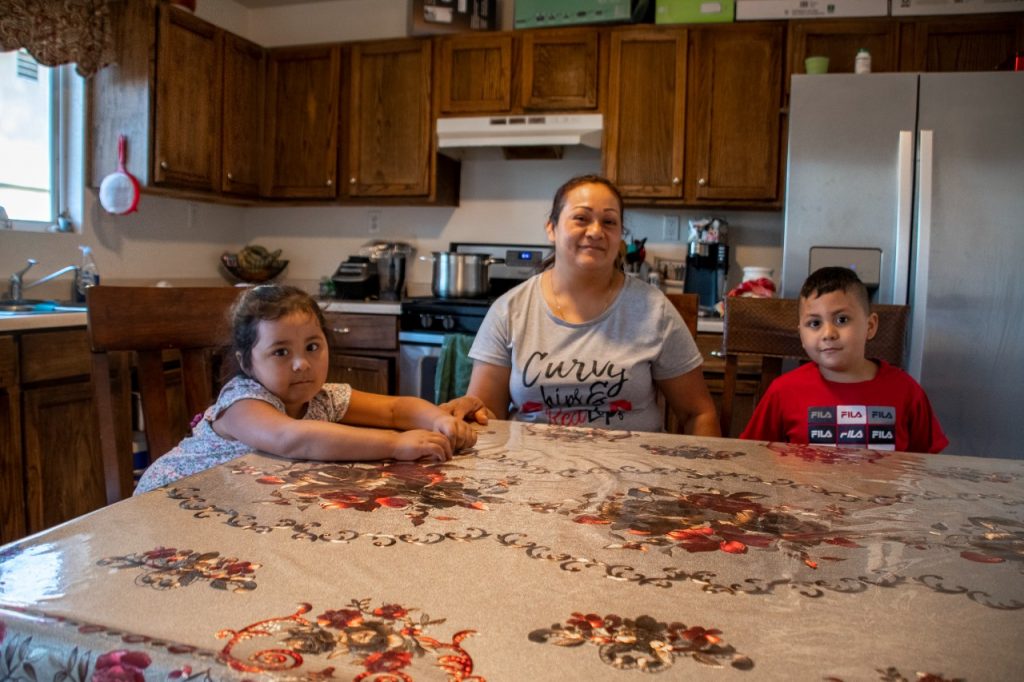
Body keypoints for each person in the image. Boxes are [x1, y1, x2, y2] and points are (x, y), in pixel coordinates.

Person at [135, 285, 477, 494]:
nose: (301, 364)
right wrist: (397, 443)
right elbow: (294, 438)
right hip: (167, 502)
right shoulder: (242, 403)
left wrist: (437, 420)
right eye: (281, 352)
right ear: (247, 361)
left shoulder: (323, 397)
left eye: (312, 347)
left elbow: (394, 409)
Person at [449, 174, 719, 435]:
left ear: (620, 236)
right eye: (581, 218)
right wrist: (469, 411)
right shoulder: (509, 310)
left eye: (609, 222)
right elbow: (486, 418)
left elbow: (698, 413)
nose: (595, 231)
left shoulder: (653, 310)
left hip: (633, 474)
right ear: (551, 228)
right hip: (532, 473)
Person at [741, 266, 948, 453]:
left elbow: (927, 465)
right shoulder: (783, 392)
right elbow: (754, 456)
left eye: (842, 320)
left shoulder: (907, 391)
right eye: (814, 323)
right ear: (801, 335)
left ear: (870, 326)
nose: (828, 333)